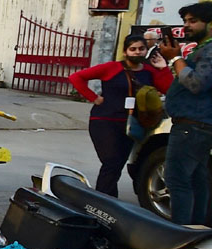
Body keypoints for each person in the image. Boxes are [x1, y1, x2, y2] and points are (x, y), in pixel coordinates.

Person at [157, 1, 212, 225]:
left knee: (177, 179)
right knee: (195, 179)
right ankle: (194, 229)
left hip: (196, 125)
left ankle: (180, 232)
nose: (186, 26)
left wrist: (175, 58)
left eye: (193, 21)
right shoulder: (206, 48)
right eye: (185, 21)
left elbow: (196, 83)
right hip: (193, 124)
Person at [69, 35, 173, 196]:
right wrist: (94, 98)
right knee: (111, 162)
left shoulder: (149, 72)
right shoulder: (112, 68)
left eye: (141, 48)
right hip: (105, 122)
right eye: (133, 49)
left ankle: (106, 201)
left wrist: (163, 68)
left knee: (116, 165)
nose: (137, 52)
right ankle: (103, 201)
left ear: (146, 50)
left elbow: (168, 89)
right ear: (125, 52)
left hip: (132, 124)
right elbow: (76, 77)